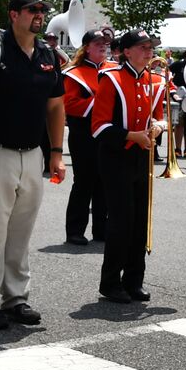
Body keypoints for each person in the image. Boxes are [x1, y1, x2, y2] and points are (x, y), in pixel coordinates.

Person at [0, 0, 65, 328]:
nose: (39, 15)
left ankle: (15, 299)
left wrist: (56, 153)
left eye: (42, 10)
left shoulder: (48, 53)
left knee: (20, 232)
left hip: (31, 154)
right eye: (32, 10)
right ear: (13, 14)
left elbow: (55, 106)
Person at [91, 29, 166, 302]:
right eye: (143, 47)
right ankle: (110, 283)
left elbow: (159, 117)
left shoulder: (152, 79)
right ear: (127, 51)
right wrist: (131, 136)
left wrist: (158, 127)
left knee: (140, 221)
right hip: (116, 156)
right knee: (122, 221)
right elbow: (98, 126)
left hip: (142, 157)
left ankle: (134, 280)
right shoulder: (111, 79)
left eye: (150, 48)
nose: (149, 52)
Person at [62, 29, 110, 245]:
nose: (103, 46)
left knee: (104, 183)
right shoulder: (74, 73)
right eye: (98, 42)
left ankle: (102, 230)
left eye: (105, 43)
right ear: (87, 47)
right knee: (84, 182)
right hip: (83, 134)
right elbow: (68, 105)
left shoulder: (113, 70)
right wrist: (98, 103)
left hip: (107, 134)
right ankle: (74, 230)